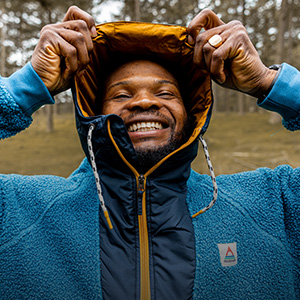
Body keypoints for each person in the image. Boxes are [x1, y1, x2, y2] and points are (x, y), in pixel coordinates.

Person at [0, 5, 299, 300]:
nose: (143, 102)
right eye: (121, 94)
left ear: (192, 111)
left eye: (165, 92)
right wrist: (25, 87)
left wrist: (266, 81)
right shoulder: (15, 212)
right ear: (93, 111)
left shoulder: (275, 205)